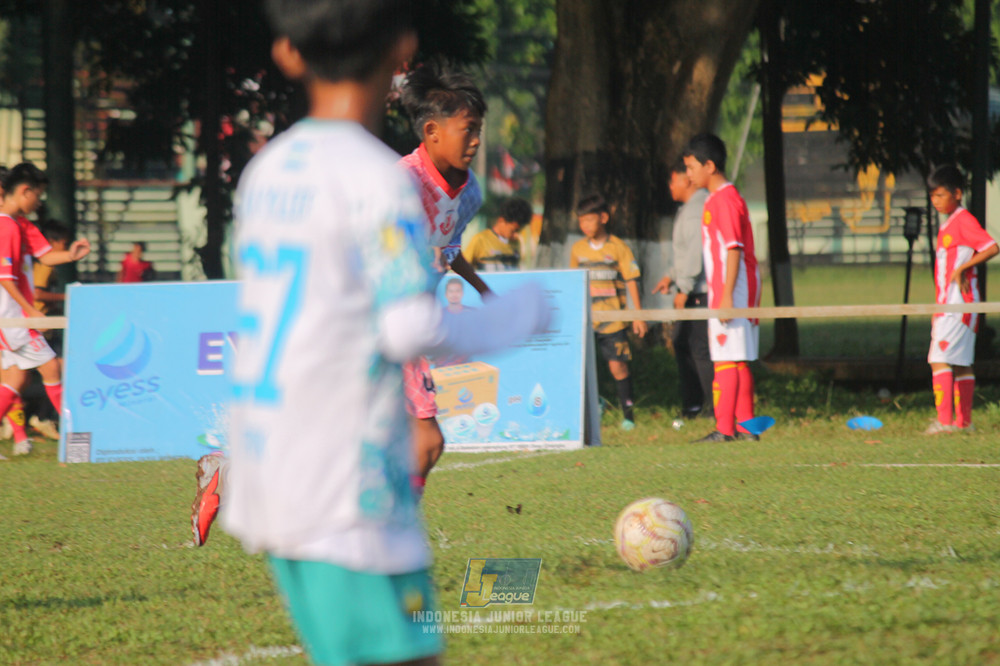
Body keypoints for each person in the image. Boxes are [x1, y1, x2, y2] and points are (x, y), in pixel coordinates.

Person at [221, 4, 549, 666]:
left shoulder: (268, 172)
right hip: (346, 486)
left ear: (287, 53)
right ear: (401, 50)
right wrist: (517, 316)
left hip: (273, 466)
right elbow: (407, 325)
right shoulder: (375, 178)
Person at [397, 64, 490, 498]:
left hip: (409, 325)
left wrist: (482, 288)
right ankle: (392, 537)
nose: (475, 141)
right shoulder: (398, 184)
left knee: (420, 445)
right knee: (426, 442)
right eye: (467, 130)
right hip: (376, 321)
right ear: (431, 131)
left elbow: (448, 247)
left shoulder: (470, 194)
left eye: (479, 131)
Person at [0, 163, 90, 459]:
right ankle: (76, 440)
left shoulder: (20, 223)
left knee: (16, 379)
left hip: (14, 315)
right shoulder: (6, 226)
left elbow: (45, 256)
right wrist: (29, 310)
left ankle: (68, 439)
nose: (40, 201)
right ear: (24, 191)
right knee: (51, 367)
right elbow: (4, 277)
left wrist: (70, 254)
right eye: (38, 195)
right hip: (11, 316)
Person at [682, 133, 761, 443]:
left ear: (709, 166)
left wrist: (727, 295)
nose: (688, 174)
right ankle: (746, 428)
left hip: (733, 290)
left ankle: (725, 429)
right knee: (735, 357)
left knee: (727, 359)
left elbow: (733, 248)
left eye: (690, 167)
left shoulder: (725, 199)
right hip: (731, 289)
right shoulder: (719, 199)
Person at [924, 165, 998, 434]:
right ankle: (963, 424)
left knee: (939, 359)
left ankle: (945, 424)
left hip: (958, 304)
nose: (936, 201)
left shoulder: (963, 220)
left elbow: (991, 247)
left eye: (941, 195)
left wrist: (964, 268)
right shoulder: (950, 223)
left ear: (957, 193)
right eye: (932, 196)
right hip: (950, 304)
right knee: (961, 362)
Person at [570, 194, 648, 430]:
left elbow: (631, 280)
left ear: (603, 218)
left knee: (618, 366)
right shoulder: (577, 249)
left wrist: (637, 315)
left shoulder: (618, 248)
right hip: (587, 320)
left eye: (589, 220)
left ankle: (628, 415)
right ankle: (593, 407)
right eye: (581, 221)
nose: (584, 225)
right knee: (582, 368)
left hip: (613, 321)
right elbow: (573, 282)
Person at [653, 160, 713, 420]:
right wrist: (671, 276)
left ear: (686, 180)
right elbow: (686, 252)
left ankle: (711, 407)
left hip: (699, 291)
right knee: (684, 343)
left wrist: (684, 288)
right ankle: (694, 405)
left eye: (673, 179)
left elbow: (697, 253)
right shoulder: (689, 208)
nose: (670, 186)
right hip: (693, 288)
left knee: (699, 348)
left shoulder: (696, 209)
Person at [463, 196, 532, 271]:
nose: (516, 234)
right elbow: (462, 268)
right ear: (501, 221)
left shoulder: (516, 243)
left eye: (518, 231)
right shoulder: (480, 240)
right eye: (513, 230)